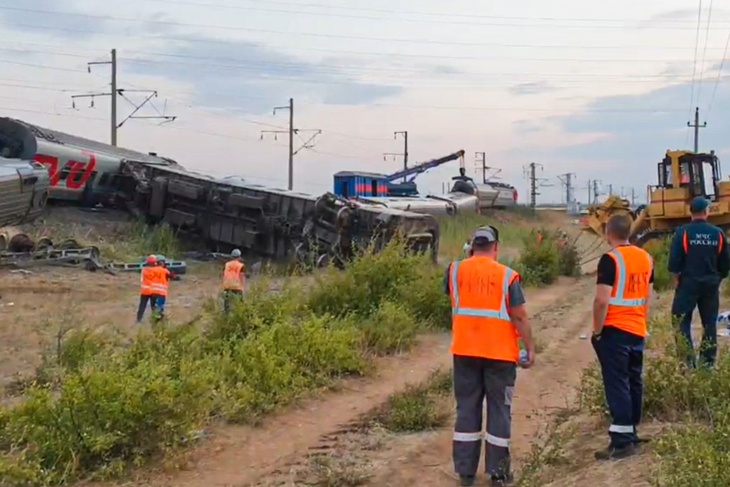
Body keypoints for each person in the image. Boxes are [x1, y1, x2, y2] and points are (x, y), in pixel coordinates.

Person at [444, 226, 535, 487]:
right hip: (500, 356)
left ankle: (465, 472)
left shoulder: (454, 271)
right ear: (496, 247)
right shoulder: (507, 276)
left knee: (467, 410)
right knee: (499, 411)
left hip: (464, 352)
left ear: (472, 246)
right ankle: (498, 474)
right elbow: (518, 316)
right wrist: (530, 347)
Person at [591, 214, 653, 460]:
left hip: (615, 330)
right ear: (630, 232)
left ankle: (622, 441)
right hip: (637, 328)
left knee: (617, 384)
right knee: (634, 382)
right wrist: (642, 322)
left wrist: (597, 331)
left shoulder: (610, 260)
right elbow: (647, 296)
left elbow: (601, 300)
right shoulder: (646, 258)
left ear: (608, 233)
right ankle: (631, 432)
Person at [668, 196, 730, 368]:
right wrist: (717, 279)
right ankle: (707, 363)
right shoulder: (718, 233)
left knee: (680, 321)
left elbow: (674, 263)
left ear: (691, 212)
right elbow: (725, 264)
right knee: (709, 324)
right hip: (710, 285)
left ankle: (687, 362)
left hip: (688, 284)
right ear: (707, 211)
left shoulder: (683, 232)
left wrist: (678, 280)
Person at [136, 255, 163, 323]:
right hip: (154, 291)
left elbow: (142, 280)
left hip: (145, 291)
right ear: (155, 262)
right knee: (153, 306)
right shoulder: (157, 270)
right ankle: (156, 319)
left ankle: (139, 319)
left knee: (142, 306)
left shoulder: (144, 270)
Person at [222, 248, 246, 313]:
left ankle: (226, 314)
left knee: (227, 302)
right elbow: (241, 276)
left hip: (227, 285)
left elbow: (223, 274)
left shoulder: (227, 264)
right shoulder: (241, 265)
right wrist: (243, 286)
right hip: (237, 286)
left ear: (232, 256)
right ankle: (241, 313)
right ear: (239, 256)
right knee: (240, 302)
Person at [154, 255, 175, 320]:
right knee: (160, 305)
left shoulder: (152, 270)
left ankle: (157, 316)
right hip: (161, 291)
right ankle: (158, 317)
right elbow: (172, 276)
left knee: (156, 305)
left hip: (152, 291)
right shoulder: (165, 270)